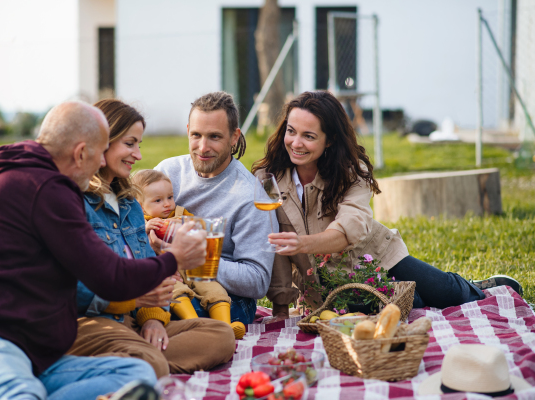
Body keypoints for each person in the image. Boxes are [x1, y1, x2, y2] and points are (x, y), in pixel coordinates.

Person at [0, 101, 207, 400]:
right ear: (80, 153)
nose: (102, 164)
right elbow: (109, 277)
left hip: (31, 352)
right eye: (100, 153)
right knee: (17, 393)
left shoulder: (37, 180)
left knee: (135, 375)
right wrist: (174, 259)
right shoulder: (44, 186)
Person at [251, 91, 523, 320]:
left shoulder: (350, 172)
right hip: (325, 286)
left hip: (375, 258)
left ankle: (474, 287)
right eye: (291, 131)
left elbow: (350, 229)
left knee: (447, 294)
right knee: (407, 302)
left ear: (330, 140)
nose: (296, 143)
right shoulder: (267, 179)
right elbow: (273, 247)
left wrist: (303, 243)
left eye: (309, 136)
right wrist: (282, 305)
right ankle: (409, 296)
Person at [67, 99, 235, 378]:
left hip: (131, 322)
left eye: (139, 144)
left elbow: (149, 272)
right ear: (102, 141)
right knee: (152, 361)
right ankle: (135, 363)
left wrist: (154, 320)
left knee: (221, 334)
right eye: (130, 144)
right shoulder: (75, 202)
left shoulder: (131, 205)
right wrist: (132, 301)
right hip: (91, 323)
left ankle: (131, 361)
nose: (138, 155)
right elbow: (75, 289)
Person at [154, 91, 275, 325]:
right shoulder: (167, 172)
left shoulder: (251, 197)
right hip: (169, 280)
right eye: (196, 135)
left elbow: (258, 280)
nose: (203, 147)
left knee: (166, 314)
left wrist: (193, 258)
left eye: (214, 137)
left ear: (234, 137)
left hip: (226, 298)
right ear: (188, 130)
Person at [133, 169, 246, 339]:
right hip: (166, 275)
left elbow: (202, 236)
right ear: (140, 205)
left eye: (170, 197)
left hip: (192, 270)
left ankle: (225, 326)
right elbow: (132, 248)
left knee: (213, 288)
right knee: (174, 291)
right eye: (158, 200)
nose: (167, 204)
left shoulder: (181, 215)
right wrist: (144, 229)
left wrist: (186, 226)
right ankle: (194, 325)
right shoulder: (139, 223)